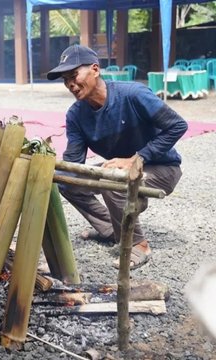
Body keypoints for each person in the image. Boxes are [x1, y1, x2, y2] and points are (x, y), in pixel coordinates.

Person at [47, 44, 188, 270]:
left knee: (111, 182)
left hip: (162, 168)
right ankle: (110, 229)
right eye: (65, 80)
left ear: (95, 69)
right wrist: (47, 172)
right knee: (67, 184)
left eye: (74, 75)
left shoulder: (133, 95)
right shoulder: (76, 114)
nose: (70, 84)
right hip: (119, 169)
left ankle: (138, 244)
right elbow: (73, 163)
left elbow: (178, 125)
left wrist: (137, 158)